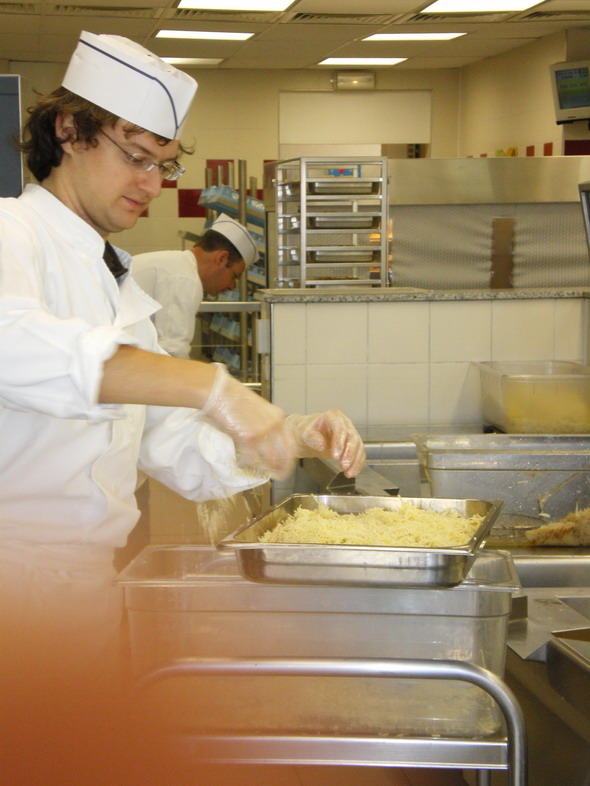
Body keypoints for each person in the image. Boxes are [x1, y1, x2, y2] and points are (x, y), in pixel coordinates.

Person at [0, 30, 365, 782]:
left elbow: (171, 443)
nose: (151, 184)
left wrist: (290, 433)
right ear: (67, 131)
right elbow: (18, 346)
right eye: (135, 157)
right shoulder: (13, 234)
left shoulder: (113, 280)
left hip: (86, 596)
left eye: (164, 166)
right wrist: (208, 384)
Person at [132, 213, 256, 358]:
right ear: (221, 258)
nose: (231, 287)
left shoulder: (175, 265)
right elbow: (173, 351)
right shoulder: (185, 278)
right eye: (234, 276)